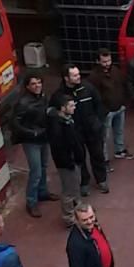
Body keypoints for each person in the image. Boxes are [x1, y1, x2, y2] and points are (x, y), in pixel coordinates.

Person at [50, 65, 108, 196]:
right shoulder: (59, 95)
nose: (78, 77)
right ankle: (84, 182)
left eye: (78, 74)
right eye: (75, 75)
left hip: (92, 129)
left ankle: (102, 179)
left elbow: (99, 104)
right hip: (74, 133)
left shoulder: (88, 88)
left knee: (97, 154)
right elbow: (53, 112)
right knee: (79, 158)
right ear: (66, 78)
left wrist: (98, 122)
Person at [13, 75, 57, 218]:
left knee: (44, 166)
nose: (37, 85)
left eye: (39, 82)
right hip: (31, 141)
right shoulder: (23, 103)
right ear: (27, 86)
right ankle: (31, 202)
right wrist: (33, 133)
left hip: (43, 138)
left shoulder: (43, 97)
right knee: (36, 171)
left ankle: (42, 193)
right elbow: (15, 124)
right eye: (33, 83)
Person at [90, 49, 134, 164]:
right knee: (104, 136)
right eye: (104, 61)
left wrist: (124, 102)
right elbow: (95, 96)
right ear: (98, 61)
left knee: (119, 131)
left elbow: (123, 85)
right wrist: (103, 110)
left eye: (109, 60)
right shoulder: (94, 77)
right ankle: (104, 159)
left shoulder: (115, 70)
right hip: (106, 111)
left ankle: (119, 150)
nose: (107, 63)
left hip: (120, 107)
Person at [48, 95, 85, 227]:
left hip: (73, 160)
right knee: (69, 190)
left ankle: (79, 211)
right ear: (63, 108)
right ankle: (69, 217)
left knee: (75, 187)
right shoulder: (58, 126)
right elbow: (59, 147)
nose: (74, 107)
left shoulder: (67, 121)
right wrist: (69, 162)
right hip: (67, 163)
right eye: (71, 105)